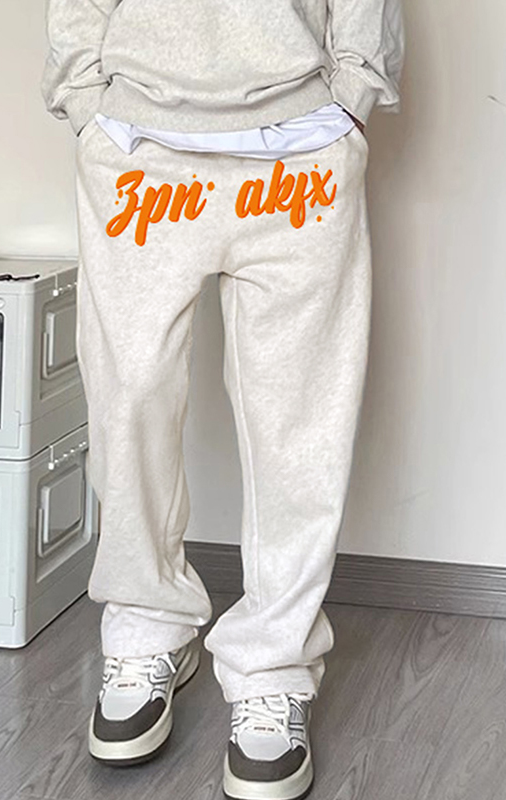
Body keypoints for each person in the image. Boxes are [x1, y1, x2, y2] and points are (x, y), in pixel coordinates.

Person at [41, 2, 405, 798]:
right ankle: (147, 627)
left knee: (299, 423)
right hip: (139, 146)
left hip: (302, 145)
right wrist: (85, 98)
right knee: (129, 400)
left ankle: (273, 665)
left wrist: (354, 93)